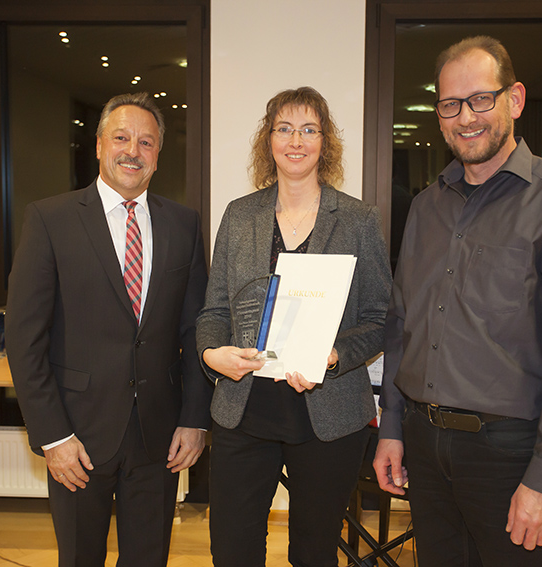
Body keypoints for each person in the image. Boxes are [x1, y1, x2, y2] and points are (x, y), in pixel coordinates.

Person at [373, 36, 542, 566]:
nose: (466, 117)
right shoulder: (426, 207)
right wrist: (392, 429)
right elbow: (401, 326)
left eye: (481, 99)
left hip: (510, 456)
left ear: (515, 100)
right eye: (451, 105)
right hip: (425, 449)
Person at [6, 92, 212, 567]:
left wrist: (194, 417)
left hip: (158, 434)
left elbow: (196, 328)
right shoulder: (49, 219)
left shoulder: (183, 224)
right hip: (77, 435)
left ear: (158, 155)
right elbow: (24, 339)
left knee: (148, 558)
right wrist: (53, 436)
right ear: (99, 146)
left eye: (146, 142)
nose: (132, 151)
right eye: (121, 138)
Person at [196, 86, 392, 567]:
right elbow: (214, 311)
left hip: (327, 414)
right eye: (284, 128)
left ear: (325, 142)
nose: (296, 140)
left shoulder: (359, 219)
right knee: (233, 550)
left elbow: (381, 318)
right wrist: (210, 355)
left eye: (309, 129)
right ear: (269, 141)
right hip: (245, 409)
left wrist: (332, 356)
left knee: (313, 551)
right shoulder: (239, 216)